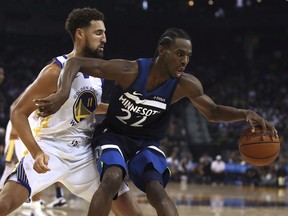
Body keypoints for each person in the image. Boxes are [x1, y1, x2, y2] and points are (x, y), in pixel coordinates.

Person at [35, 28, 278, 216]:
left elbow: (212, 112)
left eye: (188, 56)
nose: (184, 61)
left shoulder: (185, 84)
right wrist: (62, 92)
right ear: (162, 50)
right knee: (112, 177)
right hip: (113, 135)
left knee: (156, 188)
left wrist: (245, 113)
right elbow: (75, 62)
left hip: (145, 142)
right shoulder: (129, 71)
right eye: (179, 54)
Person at [0, 7, 142, 216]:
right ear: (80, 34)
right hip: (50, 150)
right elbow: (17, 111)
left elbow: (87, 108)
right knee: (3, 206)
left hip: (83, 154)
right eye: (98, 33)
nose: (104, 39)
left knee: (134, 214)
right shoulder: (55, 70)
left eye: (104, 33)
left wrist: (119, 109)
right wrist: (36, 152)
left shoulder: (98, 73)